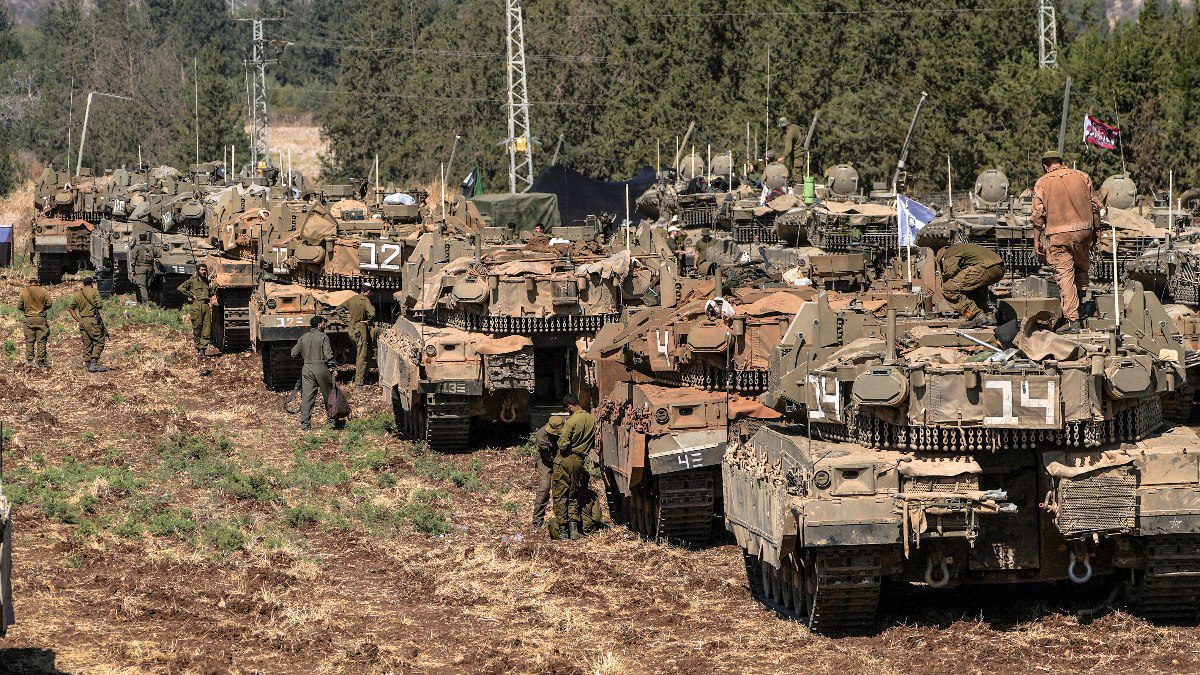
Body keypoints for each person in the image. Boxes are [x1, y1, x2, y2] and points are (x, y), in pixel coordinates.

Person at [1031, 149, 1101, 333]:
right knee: (1081, 267)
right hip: (1084, 230)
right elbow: (1095, 206)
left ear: (1045, 166)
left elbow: (1038, 216)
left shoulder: (1042, 182)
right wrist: (1097, 230)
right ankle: (1082, 302)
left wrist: (1036, 240)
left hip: (1058, 234)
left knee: (1065, 275)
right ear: (1060, 162)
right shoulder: (1082, 176)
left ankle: (1073, 320)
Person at [921, 226, 1005, 328]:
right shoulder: (960, 248)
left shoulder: (948, 254)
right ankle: (988, 316)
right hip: (999, 268)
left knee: (949, 289)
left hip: (985, 267)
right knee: (976, 289)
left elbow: (950, 271)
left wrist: (942, 279)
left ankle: (975, 315)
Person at [554, 394, 596, 541]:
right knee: (574, 493)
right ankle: (573, 530)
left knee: (560, 494)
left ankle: (562, 530)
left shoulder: (571, 421)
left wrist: (558, 441)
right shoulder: (592, 419)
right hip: (579, 460)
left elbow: (563, 444)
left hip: (565, 459)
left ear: (569, 406)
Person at [291, 316, 336, 430]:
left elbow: (293, 353)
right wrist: (333, 368)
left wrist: (305, 358)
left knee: (307, 397)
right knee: (329, 396)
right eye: (324, 323)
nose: (325, 325)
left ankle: (305, 425)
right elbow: (328, 355)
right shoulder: (323, 337)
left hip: (307, 368)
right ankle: (331, 423)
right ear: (319, 325)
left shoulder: (303, 337)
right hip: (321, 367)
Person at [67, 272, 108, 372]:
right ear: (92, 283)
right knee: (99, 341)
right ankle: (94, 363)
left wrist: (78, 320)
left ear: (84, 284)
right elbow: (100, 305)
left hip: (83, 321)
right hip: (93, 320)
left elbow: (71, 308)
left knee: (87, 343)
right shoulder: (94, 291)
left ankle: (87, 364)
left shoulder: (77, 294)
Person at [532, 414, 566, 529]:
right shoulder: (541, 436)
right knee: (544, 488)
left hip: (561, 460)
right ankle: (537, 521)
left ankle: (562, 520)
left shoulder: (566, 430)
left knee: (561, 489)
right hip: (546, 461)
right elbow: (549, 455)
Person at [177, 262, 215, 356]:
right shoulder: (192, 280)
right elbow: (180, 288)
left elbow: (209, 294)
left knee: (207, 328)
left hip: (206, 305)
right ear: (198, 271)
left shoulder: (206, 281)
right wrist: (190, 295)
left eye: (205, 270)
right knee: (197, 327)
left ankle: (203, 349)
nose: (204, 271)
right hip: (196, 306)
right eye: (202, 270)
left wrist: (215, 287)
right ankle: (198, 347)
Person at [344, 282, 377, 387]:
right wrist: (368, 321)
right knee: (362, 355)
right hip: (361, 329)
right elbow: (372, 313)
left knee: (363, 353)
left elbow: (339, 309)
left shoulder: (353, 299)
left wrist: (346, 320)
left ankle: (364, 377)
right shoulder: (365, 300)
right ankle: (359, 381)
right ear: (368, 291)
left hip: (352, 329)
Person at [17, 276, 51, 368]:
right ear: (37, 282)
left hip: (29, 319)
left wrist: (26, 310)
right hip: (41, 318)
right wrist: (43, 308)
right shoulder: (43, 291)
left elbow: (19, 306)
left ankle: (29, 361)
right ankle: (41, 362)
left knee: (29, 340)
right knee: (41, 340)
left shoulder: (24, 291)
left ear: (30, 282)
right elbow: (49, 303)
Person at [130, 233, 155, 304]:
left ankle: (145, 302)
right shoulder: (152, 246)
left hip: (140, 268)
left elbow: (133, 259)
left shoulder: (137, 247)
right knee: (148, 283)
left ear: (140, 239)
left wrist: (133, 269)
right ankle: (150, 298)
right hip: (150, 268)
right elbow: (158, 254)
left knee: (142, 285)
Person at [777, 117, 804, 181]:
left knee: (796, 173)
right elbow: (803, 131)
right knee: (797, 171)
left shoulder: (789, 134)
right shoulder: (795, 126)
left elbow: (788, 148)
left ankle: (798, 186)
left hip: (797, 154)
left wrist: (783, 157)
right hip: (800, 151)